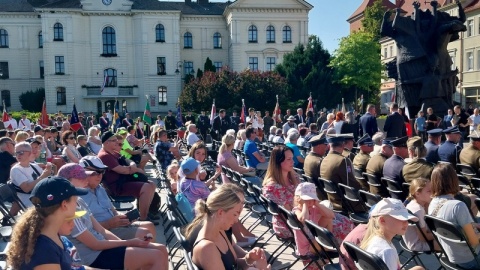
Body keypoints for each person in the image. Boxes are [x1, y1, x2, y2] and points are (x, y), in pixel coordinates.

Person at [58, 164, 168, 270]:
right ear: (67, 181)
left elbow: (102, 230)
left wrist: (125, 246)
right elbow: (95, 245)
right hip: (92, 257)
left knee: (162, 249)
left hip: (103, 248)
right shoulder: (69, 209)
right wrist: (128, 243)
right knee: (156, 256)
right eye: (80, 177)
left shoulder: (80, 200)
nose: (85, 178)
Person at [7, 176, 88, 269]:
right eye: (75, 200)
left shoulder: (54, 235)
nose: (77, 204)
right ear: (64, 204)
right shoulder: (44, 251)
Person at [184, 184, 270, 270]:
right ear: (220, 212)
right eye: (235, 214)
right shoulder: (207, 248)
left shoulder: (220, 231)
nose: (236, 220)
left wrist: (249, 258)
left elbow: (235, 265)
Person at [78, 156, 156, 241]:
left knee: (149, 225)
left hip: (115, 225)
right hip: (103, 232)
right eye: (95, 172)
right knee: (144, 233)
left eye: (102, 172)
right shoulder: (78, 197)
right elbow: (86, 228)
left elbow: (112, 210)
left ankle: (148, 252)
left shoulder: (100, 188)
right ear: (84, 172)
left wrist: (122, 217)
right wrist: (109, 224)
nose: (100, 175)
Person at [428, 164, 480, 269]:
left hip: (452, 256)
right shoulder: (458, 206)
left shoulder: (432, 203)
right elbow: (474, 241)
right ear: (454, 180)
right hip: (471, 259)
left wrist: (473, 225)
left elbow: (452, 225)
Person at [98, 131, 156, 222]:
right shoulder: (104, 156)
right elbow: (121, 170)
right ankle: (143, 218)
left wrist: (132, 166)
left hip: (124, 181)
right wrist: (136, 169)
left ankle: (145, 212)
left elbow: (127, 160)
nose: (117, 142)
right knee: (147, 187)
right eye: (114, 140)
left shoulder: (112, 152)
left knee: (152, 184)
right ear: (106, 142)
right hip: (116, 187)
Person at [292, 182, 353, 269]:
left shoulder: (313, 208)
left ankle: (329, 243)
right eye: (306, 199)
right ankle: (331, 246)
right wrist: (305, 204)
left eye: (311, 199)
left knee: (328, 219)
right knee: (341, 242)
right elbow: (303, 219)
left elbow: (331, 215)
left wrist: (317, 203)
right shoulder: (296, 210)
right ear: (298, 199)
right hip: (307, 248)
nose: (309, 202)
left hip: (313, 241)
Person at [360, 198, 423, 270]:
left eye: (406, 219)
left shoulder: (374, 239)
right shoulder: (387, 251)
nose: (406, 223)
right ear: (382, 220)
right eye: (400, 218)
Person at [262, 146, 300, 238]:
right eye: (289, 159)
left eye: (292, 158)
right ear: (278, 162)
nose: (293, 162)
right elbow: (289, 213)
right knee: (333, 226)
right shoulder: (273, 187)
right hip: (288, 224)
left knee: (338, 218)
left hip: (300, 217)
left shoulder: (292, 178)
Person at [320, 135, 360, 209]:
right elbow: (350, 184)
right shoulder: (343, 160)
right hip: (344, 202)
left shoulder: (324, 159)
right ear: (343, 145)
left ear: (329, 146)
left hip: (332, 199)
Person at [10, 141, 53, 208]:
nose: (18, 155)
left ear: (29, 153)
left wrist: (51, 171)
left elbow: (46, 179)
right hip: (30, 201)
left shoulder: (33, 166)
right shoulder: (16, 170)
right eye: (16, 153)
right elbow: (26, 189)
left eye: (21, 152)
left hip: (41, 197)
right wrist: (43, 176)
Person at [403, 178, 436, 252]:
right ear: (417, 194)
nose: (433, 193)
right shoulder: (418, 210)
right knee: (448, 242)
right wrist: (440, 236)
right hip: (417, 244)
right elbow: (424, 238)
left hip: (412, 241)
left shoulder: (413, 202)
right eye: (429, 191)